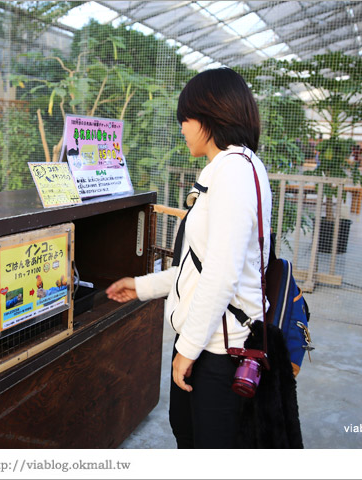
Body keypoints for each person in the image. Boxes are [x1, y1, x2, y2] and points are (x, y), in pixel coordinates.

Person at [106, 67, 272, 448]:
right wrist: (142, 286)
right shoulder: (233, 168)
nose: (182, 128)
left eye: (186, 118)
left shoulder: (232, 172)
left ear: (211, 116)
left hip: (220, 349)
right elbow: (199, 265)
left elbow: (221, 274)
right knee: (187, 431)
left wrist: (186, 349)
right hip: (211, 341)